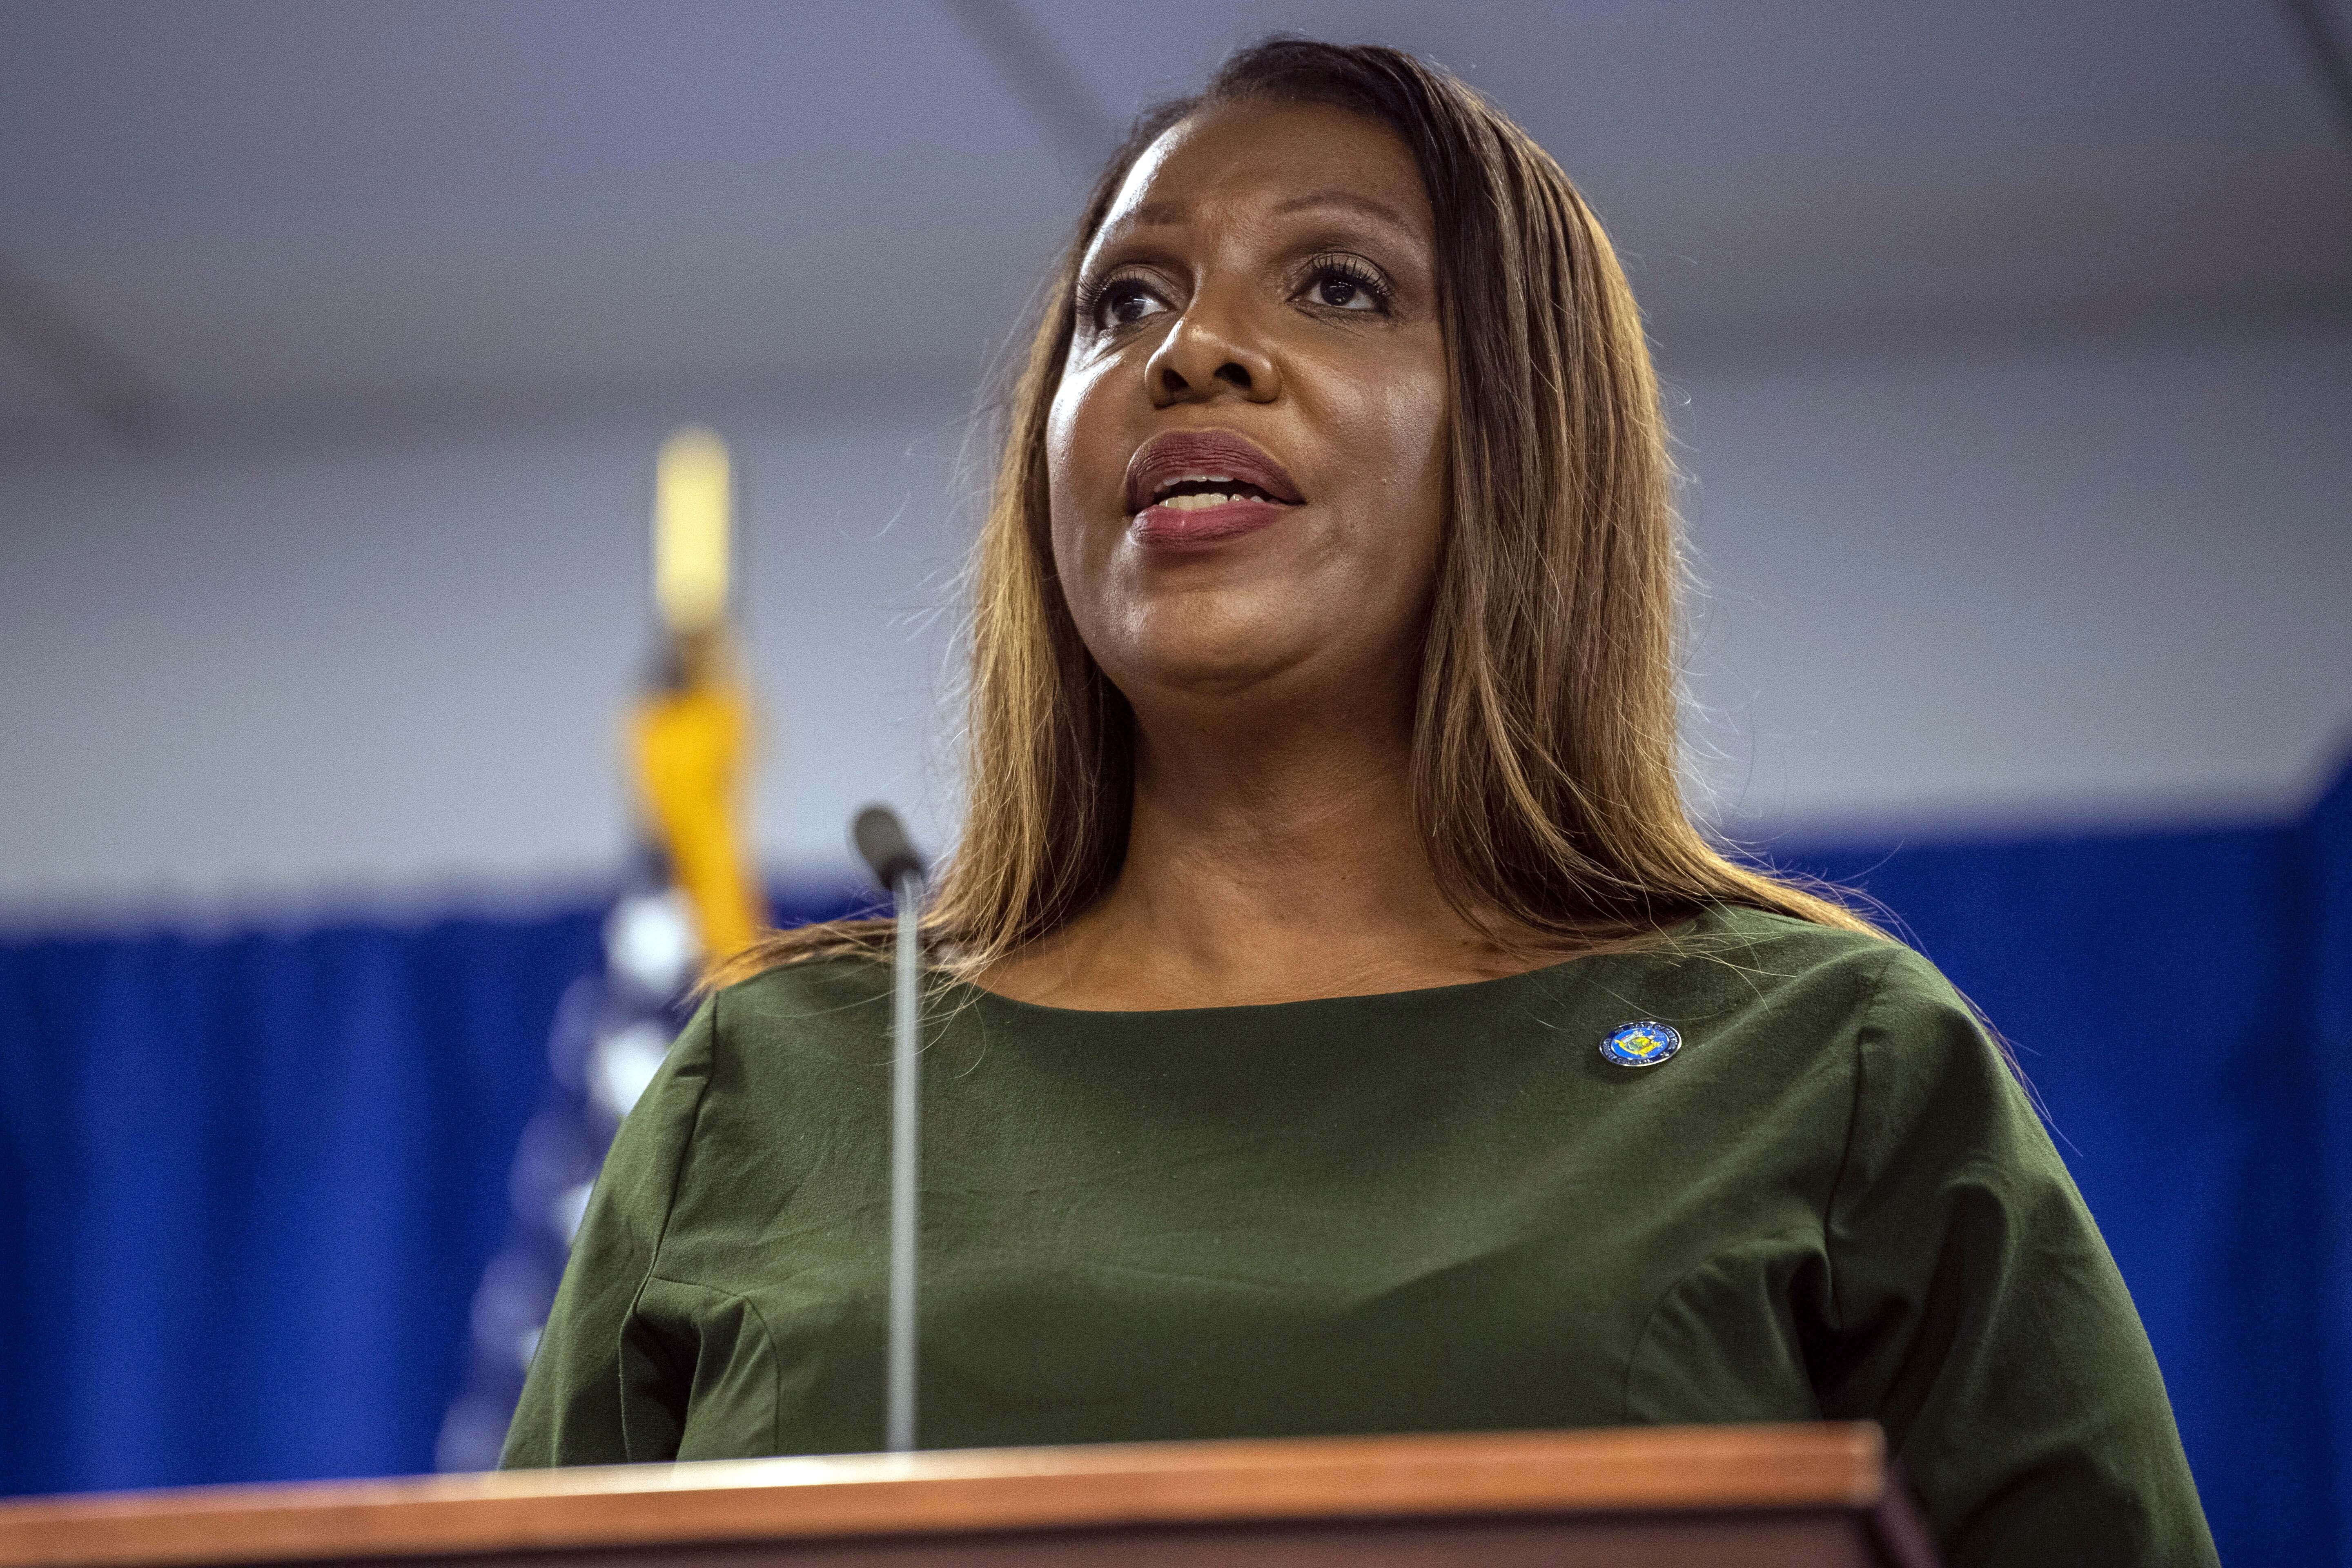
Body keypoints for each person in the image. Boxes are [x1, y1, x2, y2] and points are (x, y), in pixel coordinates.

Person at [502, 38, 2216, 1566]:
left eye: (1337, 287)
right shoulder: (777, 1086)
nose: (1194, 353)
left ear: (1522, 440)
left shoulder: (1829, 1069)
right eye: (1125, 302)